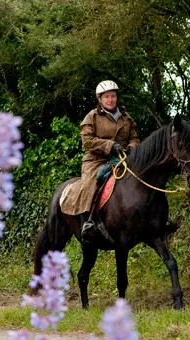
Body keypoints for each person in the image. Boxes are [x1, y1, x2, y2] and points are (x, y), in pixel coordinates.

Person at [60, 80, 140, 240]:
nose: (110, 100)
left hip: (122, 159)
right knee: (95, 180)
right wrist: (109, 145)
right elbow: (87, 141)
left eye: (113, 96)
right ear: (100, 99)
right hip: (96, 160)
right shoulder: (92, 117)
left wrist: (132, 147)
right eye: (107, 97)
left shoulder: (126, 117)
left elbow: (134, 138)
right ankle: (89, 221)